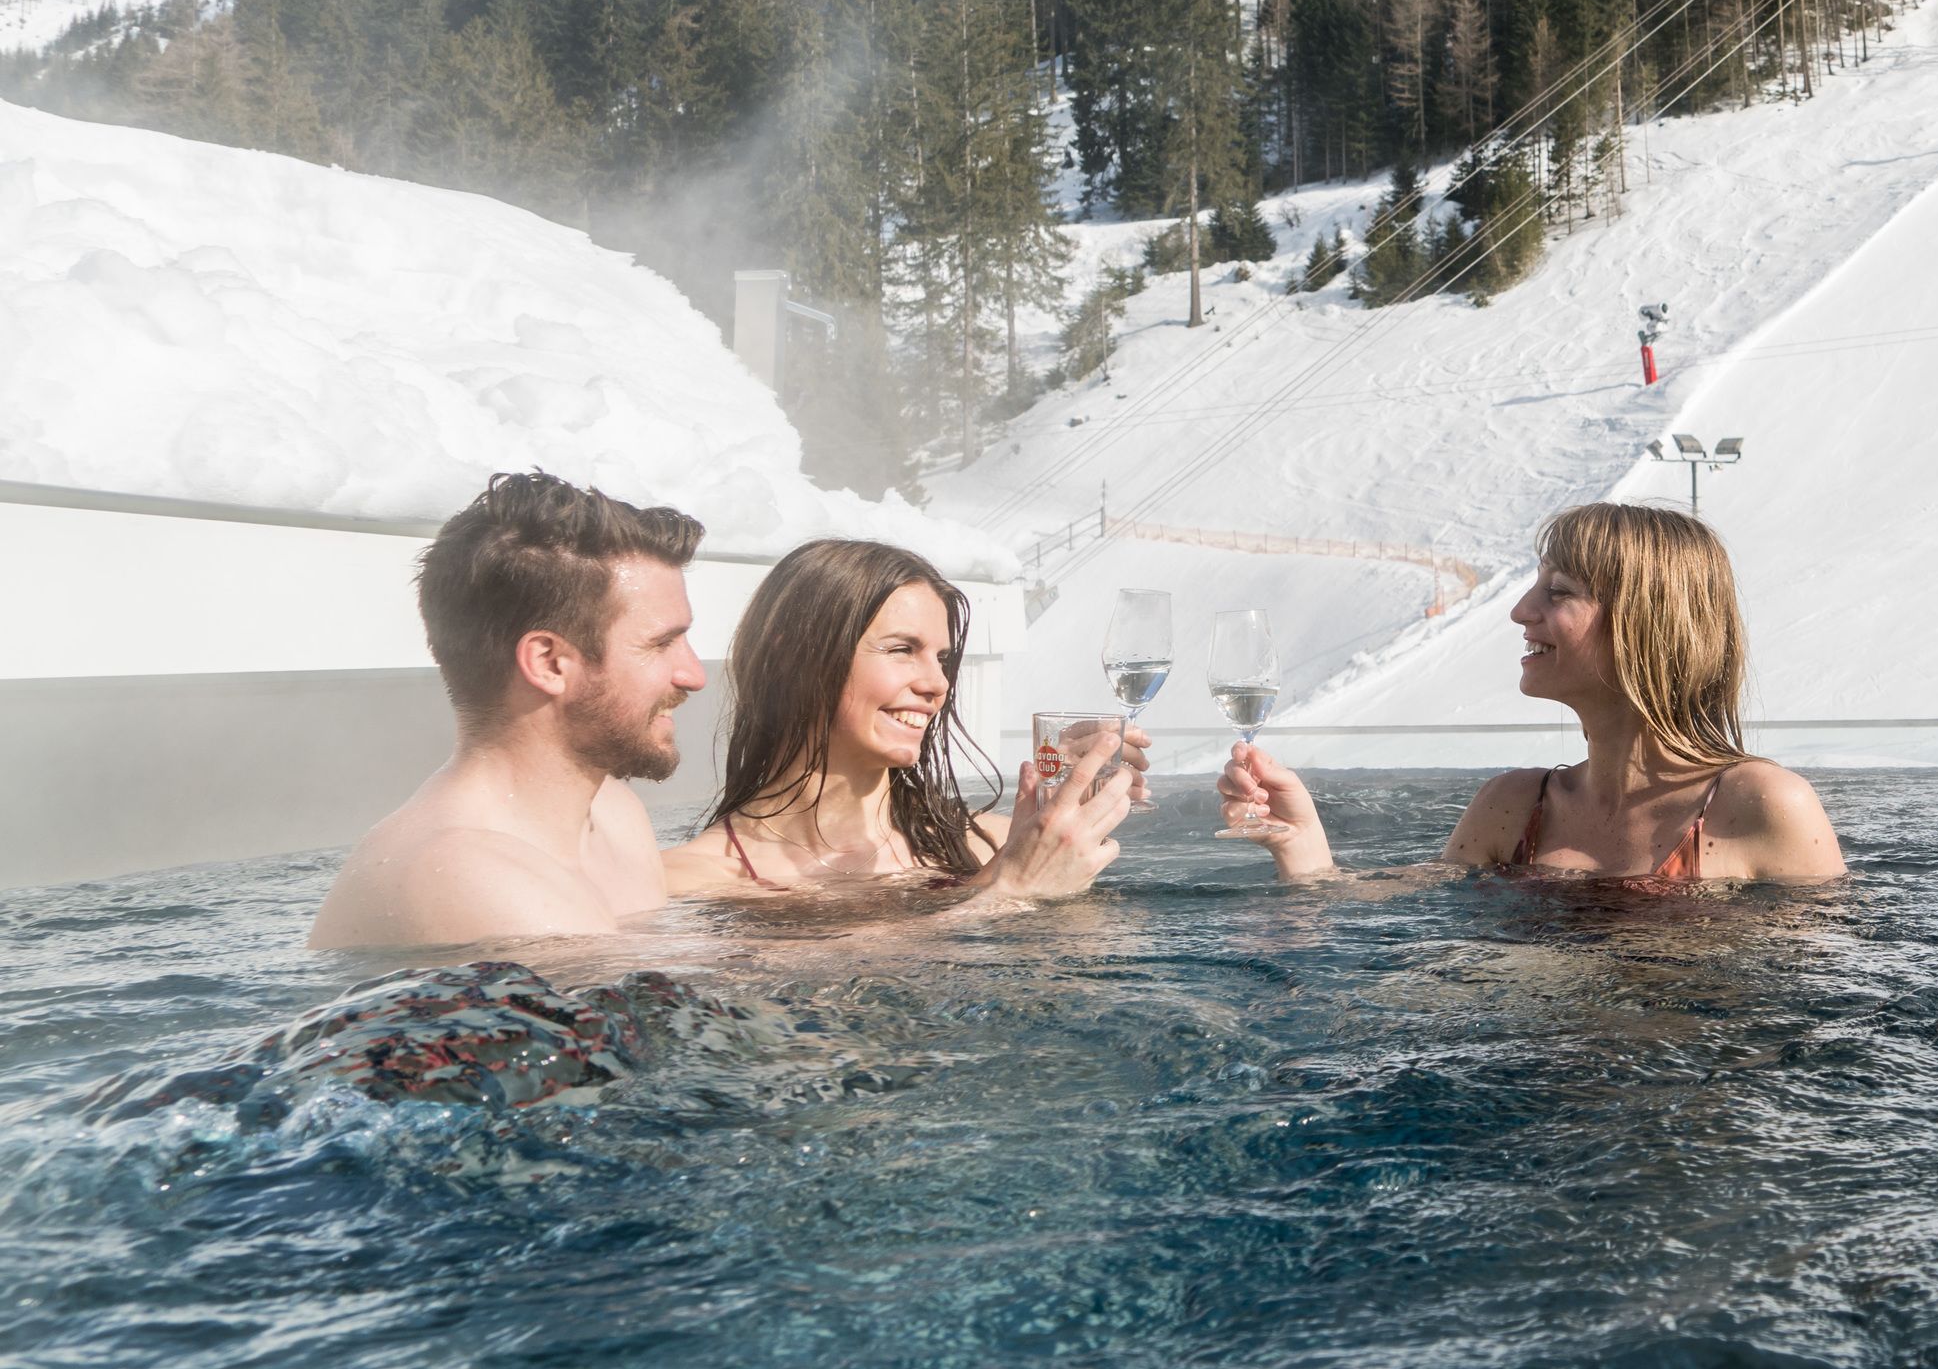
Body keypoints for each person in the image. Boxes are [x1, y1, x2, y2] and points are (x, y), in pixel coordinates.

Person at [309, 476, 1127, 952]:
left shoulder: (615, 822)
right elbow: (660, 1055)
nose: (695, 675)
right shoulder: (466, 872)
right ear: (551, 661)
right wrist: (1001, 897)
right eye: (662, 642)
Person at [1219, 502, 1842, 885]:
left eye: (1559, 592)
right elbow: (1369, 907)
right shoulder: (1513, 804)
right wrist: (1296, 838)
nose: (1521, 611)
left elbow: (1815, 1020)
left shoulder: (1760, 803)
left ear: (1646, 622)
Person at [663, 536, 1143, 907]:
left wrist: (1069, 806)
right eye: (901, 650)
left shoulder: (1001, 844)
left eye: (942, 658)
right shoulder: (690, 881)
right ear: (791, 656)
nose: (938, 684)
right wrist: (1008, 893)